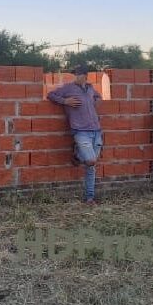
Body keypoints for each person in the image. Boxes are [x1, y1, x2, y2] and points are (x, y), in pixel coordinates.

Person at [47, 64, 103, 205]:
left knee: (91, 166)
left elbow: (98, 96)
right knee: (90, 160)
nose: (76, 77)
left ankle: (89, 198)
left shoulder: (90, 88)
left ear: (85, 76)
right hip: (80, 130)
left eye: (78, 74)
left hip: (96, 130)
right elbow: (51, 95)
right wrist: (65, 101)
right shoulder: (68, 88)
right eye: (75, 74)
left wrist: (95, 101)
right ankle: (77, 154)